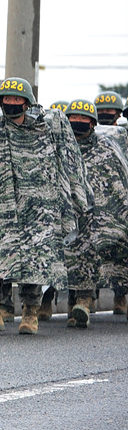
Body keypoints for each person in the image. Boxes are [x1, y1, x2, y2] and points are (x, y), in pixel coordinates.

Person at [0, 77, 89, 335]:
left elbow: (66, 160)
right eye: (7, 99)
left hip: (37, 212)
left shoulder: (45, 130)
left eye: (16, 99)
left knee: (34, 261)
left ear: (27, 102)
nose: (11, 103)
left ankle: (30, 314)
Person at [63, 100, 128, 328]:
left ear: (92, 123)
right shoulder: (60, 149)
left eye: (83, 119)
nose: (78, 123)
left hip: (100, 217)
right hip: (68, 215)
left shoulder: (106, 148)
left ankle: (84, 300)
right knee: (70, 256)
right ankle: (73, 303)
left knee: (89, 252)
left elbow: (118, 185)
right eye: (73, 119)